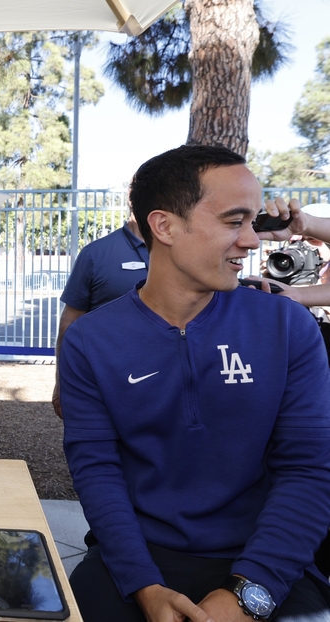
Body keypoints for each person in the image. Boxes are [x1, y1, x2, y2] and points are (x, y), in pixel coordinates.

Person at [60, 144, 330, 622]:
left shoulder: (287, 327)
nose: (252, 242)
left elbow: (308, 472)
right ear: (164, 226)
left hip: (265, 559)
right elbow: (98, 474)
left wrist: (248, 594)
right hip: (138, 559)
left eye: (253, 222)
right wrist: (144, 586)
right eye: (234, 221)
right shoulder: (90, 341)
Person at [51, 211, 147, 418]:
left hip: (164, 384)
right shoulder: (96, 254)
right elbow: (71, 320)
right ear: (132, 197)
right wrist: (61, 381)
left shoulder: (183, 251)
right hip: (104, 384)